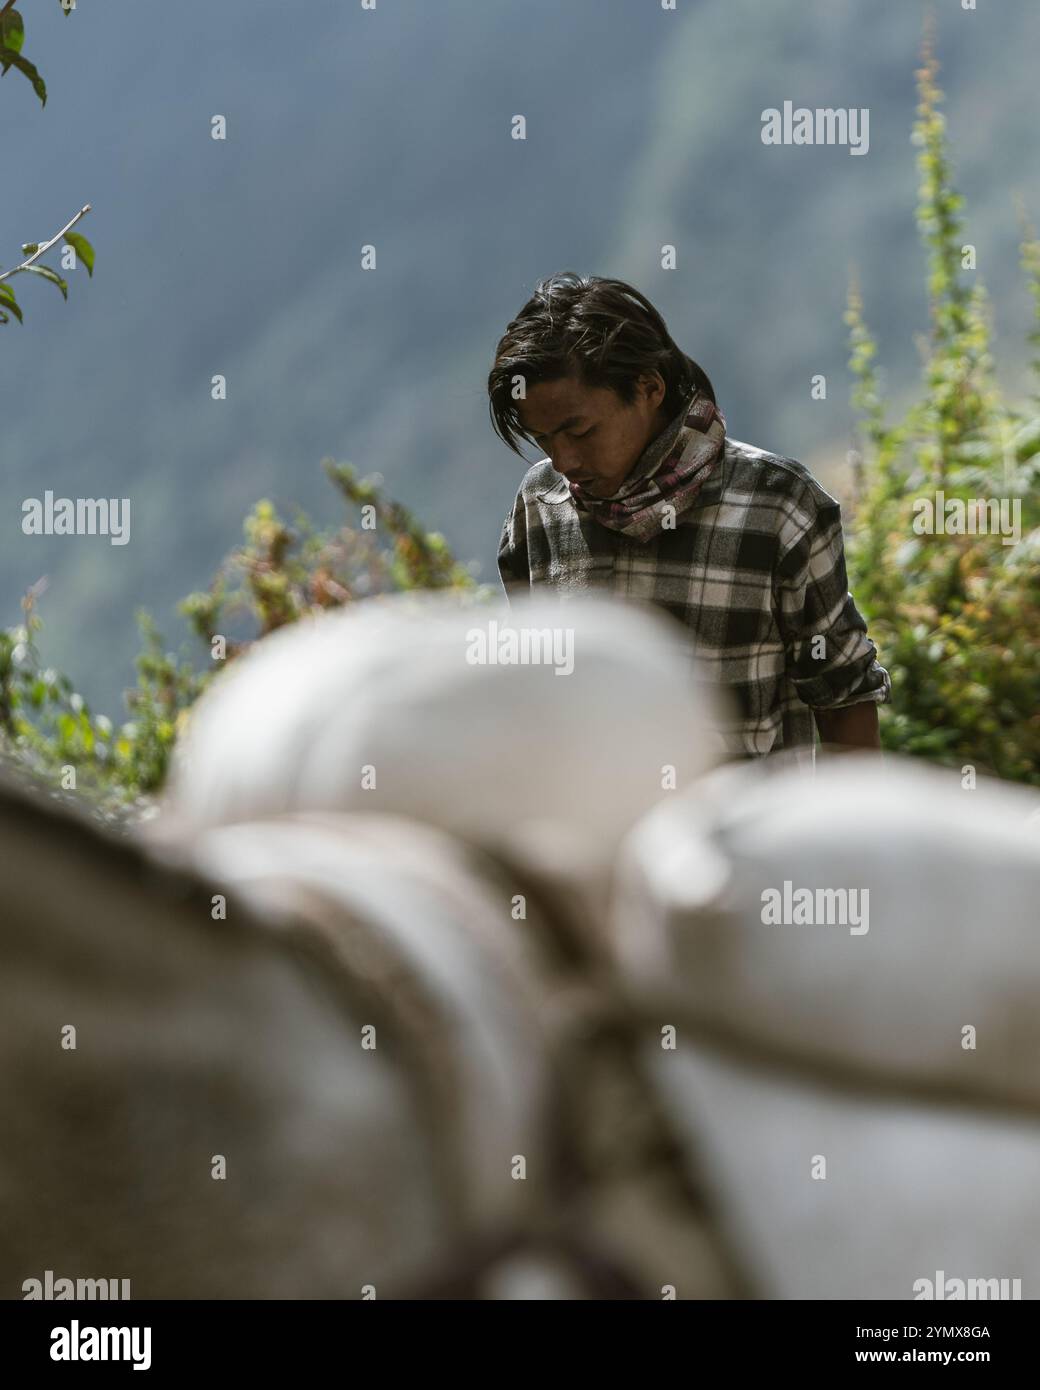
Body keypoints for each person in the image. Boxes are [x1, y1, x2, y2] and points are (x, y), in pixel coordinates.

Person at [488, 271, 891, 760]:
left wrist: (844, 830)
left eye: (580, 431)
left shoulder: (777, 505)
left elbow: (844, 693)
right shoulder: (540, 506)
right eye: (545, 439)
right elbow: (533, 690)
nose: (565, 460)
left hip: (740, 829)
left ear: (648, 388)